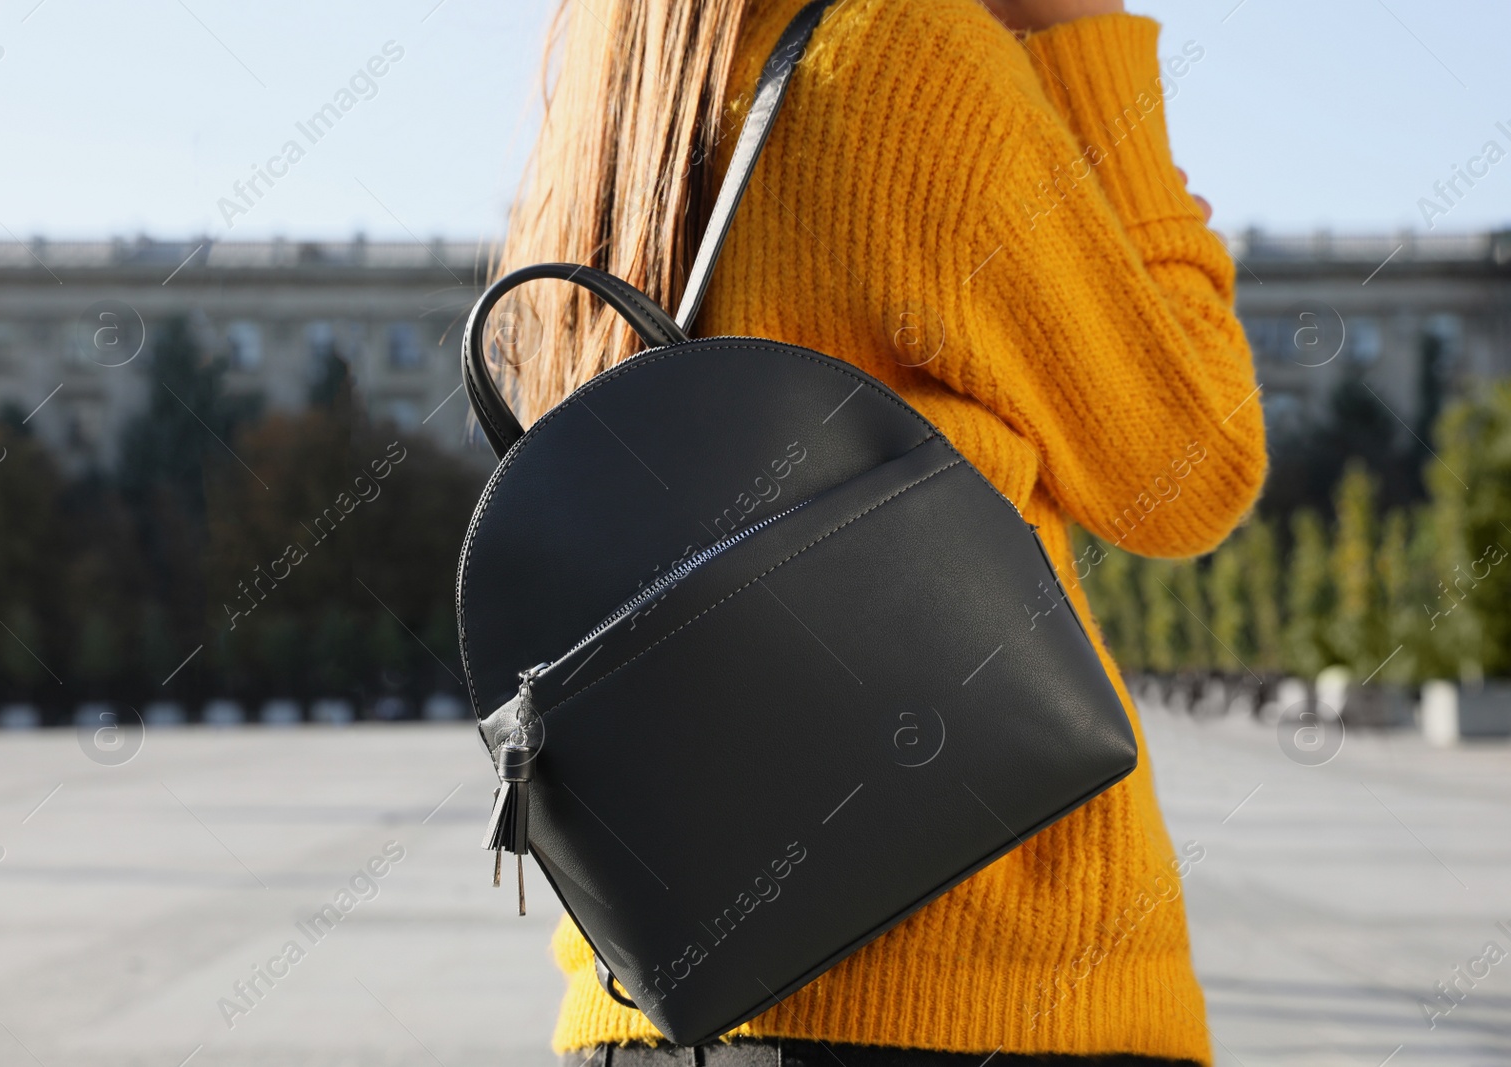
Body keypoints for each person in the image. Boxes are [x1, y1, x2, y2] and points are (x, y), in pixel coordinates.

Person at [493, 0, 1266, 1063]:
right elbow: (1188, 469)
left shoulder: (624, 99)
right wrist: (1087, 39)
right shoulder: (904, 52)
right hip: (976, 993)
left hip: (644, 1007)